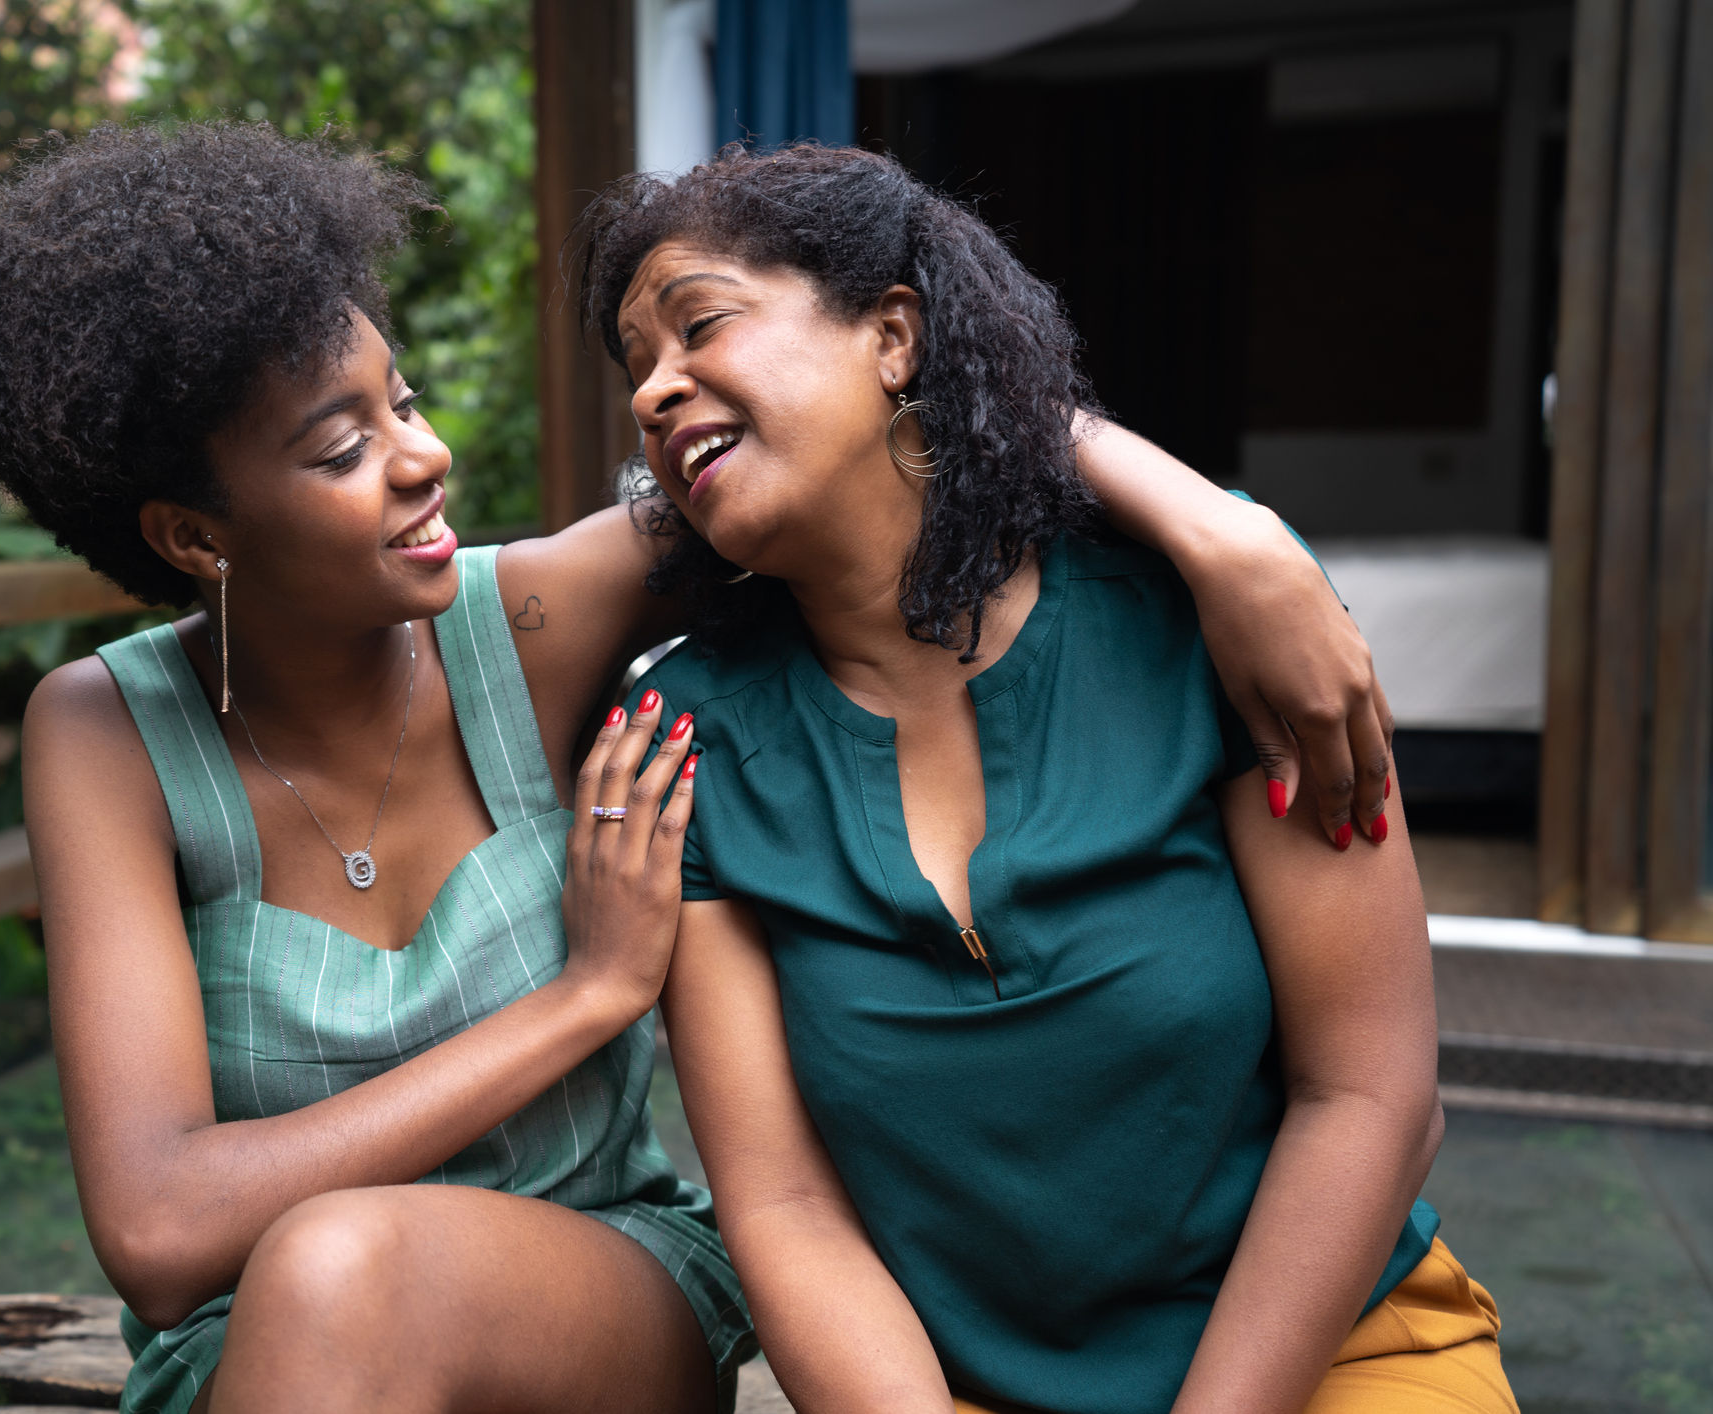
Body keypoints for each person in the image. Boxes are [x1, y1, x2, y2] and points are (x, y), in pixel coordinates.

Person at [0, 122, 1406, 1414]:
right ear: (192, 536)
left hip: (592, 1299)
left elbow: (873, 446)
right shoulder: (105, 732)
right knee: (327, 1273)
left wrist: (1226, 531)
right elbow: (166, 1229)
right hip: (269, 1347)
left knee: (344, 1256)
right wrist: (585, 997)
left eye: (407, 401)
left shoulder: (541, 625)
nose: (422, 459)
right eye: (339, 448)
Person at [584, 144, 1517, 1414]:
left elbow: (1368, 1094)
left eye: (698, 324)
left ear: (892, 337)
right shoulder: (684, 734)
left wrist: (1222, 531)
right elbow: (787, 1206)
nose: (652, 391)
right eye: (634, 367)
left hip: (1332, 1359)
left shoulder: (1198, 621)